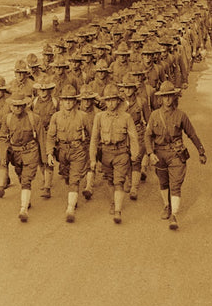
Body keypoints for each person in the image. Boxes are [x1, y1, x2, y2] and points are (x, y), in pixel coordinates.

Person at [144, 81, 207, 230]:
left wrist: (201, 151)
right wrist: (150, 153)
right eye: (164, 96)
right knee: (163, 182)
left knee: (175, 184)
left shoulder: (181, 115)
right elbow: (148, 136)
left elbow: (192, 134)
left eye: (170, 96)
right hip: (159, 154)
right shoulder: (154, 115)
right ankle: (167, 206)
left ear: (174, 97)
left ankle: (174, 215)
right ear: (160, 98)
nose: (167, 99)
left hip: (176, 154)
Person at [89, 84, 139, 224]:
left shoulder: (126, 117)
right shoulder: (99, 117)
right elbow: (94, 139)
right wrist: (93, 159)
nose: (111, 103)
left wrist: (134, 154)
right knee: (110, 180)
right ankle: (113, 202)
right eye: (108, 100)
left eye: (113, 100)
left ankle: (118, 210)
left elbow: (133, 137)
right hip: (106, 153)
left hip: (121, 153)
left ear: (118, 101)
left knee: (119, 182)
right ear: (105, 101)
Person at [46, 85, 91, 223]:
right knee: (66, 176)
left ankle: (70, 209)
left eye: (71, 100)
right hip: (62, 151)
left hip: (78, 151)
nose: (68, 103)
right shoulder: (56, 117)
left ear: (75, 101)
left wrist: (90, 154)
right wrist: (50, 153)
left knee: (74, 180)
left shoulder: (83, 116)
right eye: (65, 100)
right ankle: (73, 195)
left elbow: (91, 136)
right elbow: (50, 137)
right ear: (61, 101)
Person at [0, 92, 45, 222]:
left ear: (24, 106)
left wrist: (44, 159)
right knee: (20, 175)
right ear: (11, 106)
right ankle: (26, 198)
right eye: (15, 106)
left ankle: (23, 209)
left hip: (31, 151)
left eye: (20, 106)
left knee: (26, 179)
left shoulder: (34, 118)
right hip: (16, 153)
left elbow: (41, 138)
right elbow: (2, 138)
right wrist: (3, 156)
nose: (17, 108)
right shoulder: (7, 119)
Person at [31, 82, 59, 199]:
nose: (43, 92)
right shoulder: (34, 102)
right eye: (41, 90)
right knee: (39, 157)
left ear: (50, 90)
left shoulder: (55, 102)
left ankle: (47, 185)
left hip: (50, 132)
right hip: (37, 133)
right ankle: (44, 178)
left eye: (45, 89)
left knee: (49, 156)